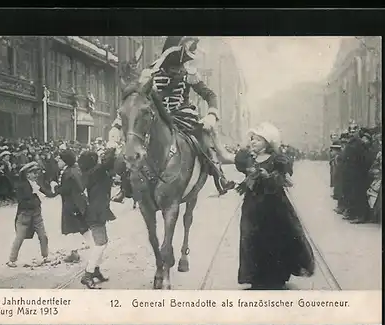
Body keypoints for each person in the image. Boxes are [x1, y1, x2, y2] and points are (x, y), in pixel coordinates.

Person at [122, 36, 235, 196]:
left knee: (202, 137)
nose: (181, 65)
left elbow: (210, 95)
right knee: (134, 139)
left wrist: (211, 115)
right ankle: (127, 182)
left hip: (182, 115)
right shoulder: (150, 73)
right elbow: (137, 100)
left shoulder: (189, 74)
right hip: (157, 115)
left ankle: (219, 174)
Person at [234, 122, 315, 290]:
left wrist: (268, 176)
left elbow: (280, 180)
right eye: (252, 139)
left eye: (257, 139)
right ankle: (255, 276)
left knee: (274, 239)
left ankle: (276, 277)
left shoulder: (277, 159)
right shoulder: (249, 158)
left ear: (268, 142)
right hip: (252, 206)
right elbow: (238, 160)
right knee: (251, 238)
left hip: (274, 206)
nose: (253, 142)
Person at [77, 148, 117, 289]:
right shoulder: (97, 172)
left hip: (97, 211)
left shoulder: (90, 173)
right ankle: (87, 274)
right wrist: (113, 150)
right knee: (100, 244)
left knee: (102, 243)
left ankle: (96, 270)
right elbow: (108, 163)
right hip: (97, 213)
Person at [6, 161, 50, 268]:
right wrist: (36, 198)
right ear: (27, 174)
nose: (36, 175)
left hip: (36, 213)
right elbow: (22, 201)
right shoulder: (21, 186)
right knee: (20, 237)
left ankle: (45, 256)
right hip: (24, 214)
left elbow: (48, 193)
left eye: (37, 173)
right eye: (34, 173)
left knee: (43, 235)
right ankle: (12, 259)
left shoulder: (36, 184)